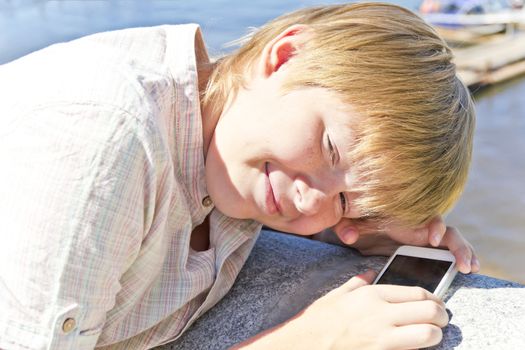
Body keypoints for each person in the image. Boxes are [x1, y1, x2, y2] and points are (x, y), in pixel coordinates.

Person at [0, 2, 478, 349]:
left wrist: (360, 233)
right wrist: (309, 342)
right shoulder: (105, 138)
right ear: (286, 55)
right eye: (330, 147)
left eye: (346, 200)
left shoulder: (236, 144)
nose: (311, 203)